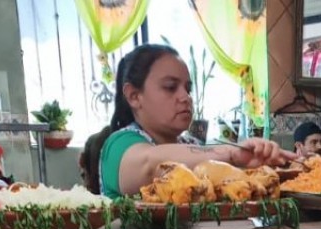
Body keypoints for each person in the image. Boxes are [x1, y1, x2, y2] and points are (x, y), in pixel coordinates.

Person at [96, 44, 295, 198]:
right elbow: (151, 165)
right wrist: (232, 153)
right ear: (134, 96)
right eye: (170, 87)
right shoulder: (118, 145)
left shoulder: (190, 145)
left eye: (188, 89)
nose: (185, 97)